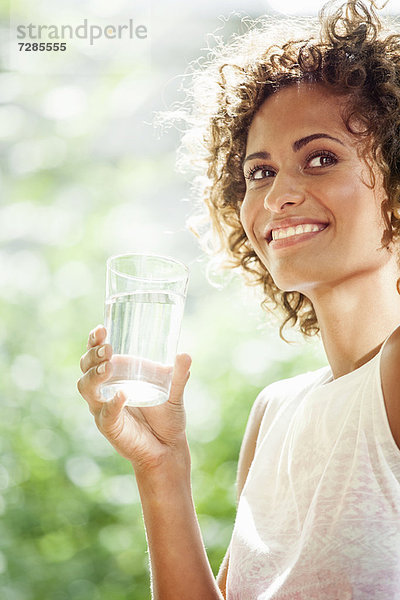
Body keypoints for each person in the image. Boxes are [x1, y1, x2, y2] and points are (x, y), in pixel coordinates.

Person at [77, 0, 400, 598]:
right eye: (260, 172)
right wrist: (161, 467)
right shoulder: (275, 410)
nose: (279, 194)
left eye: (320, 158)